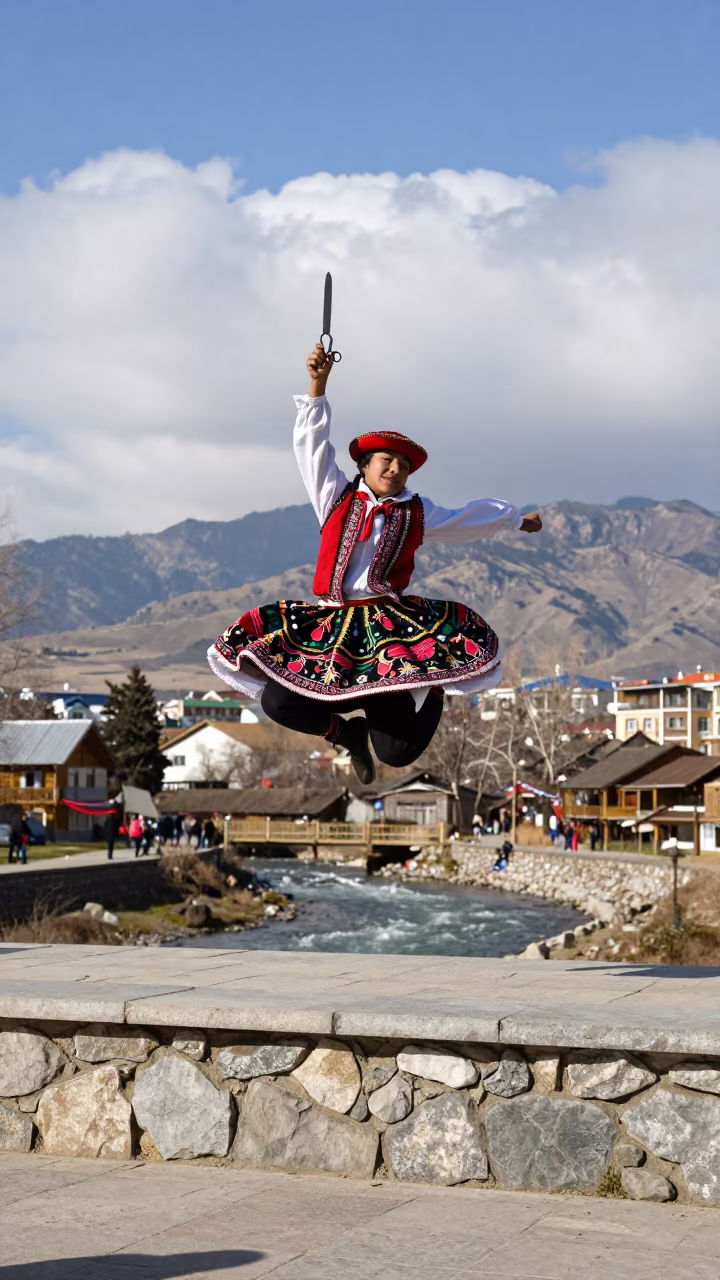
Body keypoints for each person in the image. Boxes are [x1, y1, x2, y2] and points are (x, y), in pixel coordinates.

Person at [208, 345, 543, 783]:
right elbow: (311, 448)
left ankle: (430, 685)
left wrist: (516, 520)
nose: (396, 469)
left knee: (397, 754)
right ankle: (345, 733)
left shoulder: (417, 512)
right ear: (364, 466)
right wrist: (317, 385)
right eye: (387, 460)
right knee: (278, 702)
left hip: (388, 631)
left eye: (403, 465)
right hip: (331, 625)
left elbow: (466, 520)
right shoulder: (335, 497)